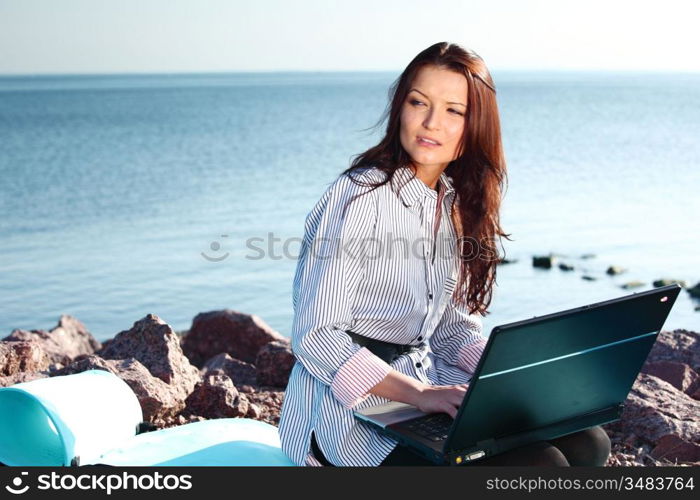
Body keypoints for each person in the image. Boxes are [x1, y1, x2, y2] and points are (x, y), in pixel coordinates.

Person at [278, 41, 611, 467]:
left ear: (476, 125)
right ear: (401, 107)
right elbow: (315, 335)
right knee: (541, 464)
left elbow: (452, 330)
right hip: (349, 411)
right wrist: (420, 394)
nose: (431, 123)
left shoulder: (453, 203)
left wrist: (505, 376)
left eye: (454, 110)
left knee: (589, 442)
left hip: (424, 383)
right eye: (419, 102)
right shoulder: (360, 197)